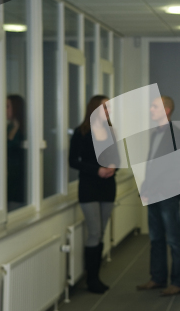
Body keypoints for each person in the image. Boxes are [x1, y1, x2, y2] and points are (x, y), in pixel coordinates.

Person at [137, 96, 180, 296]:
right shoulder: (154, 134)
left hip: (167, 194)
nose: (151, 109)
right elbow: (152, 164)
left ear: (166, 110)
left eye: (155, 106)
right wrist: (146, 186)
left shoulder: (178, 134)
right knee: (155, 238)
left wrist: (160, 188)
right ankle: (157, 278)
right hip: (152, 194)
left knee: (174, 239)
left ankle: (178, 282)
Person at [69, 95, 117, 294]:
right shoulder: (81, 133)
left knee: (101, 233)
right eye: (104, 107)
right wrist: (96, 170)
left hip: (107, 187)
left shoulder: (111, 132)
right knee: (94, 232)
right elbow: (73, 161)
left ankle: (96, 276)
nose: (108, 111)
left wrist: (113, 167)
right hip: (89, 186)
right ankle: (92, 279)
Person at [7, 94, 26, 211]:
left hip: (18, 181)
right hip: (9, 178)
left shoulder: (23, 129)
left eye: (7, 106)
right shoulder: (9, 127)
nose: (5, 110)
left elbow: (11, 145)